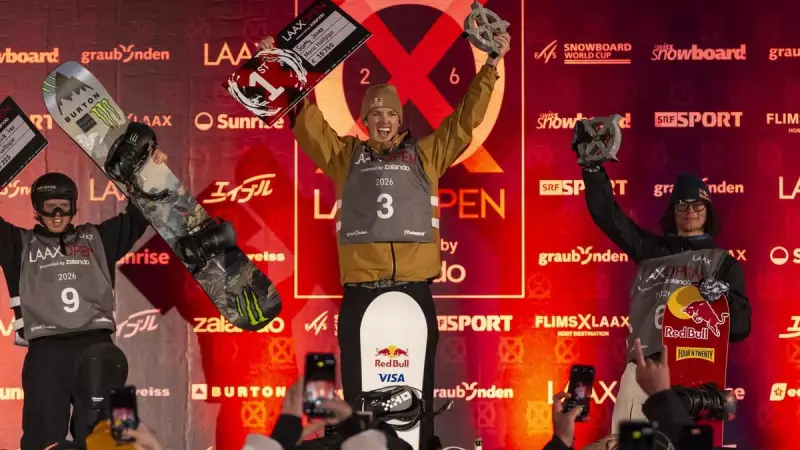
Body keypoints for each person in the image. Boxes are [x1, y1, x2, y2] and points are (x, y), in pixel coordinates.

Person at [258, 30, 510, 448]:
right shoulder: (345, 157)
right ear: (365, 121)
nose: (382, 120)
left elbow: (465, 120)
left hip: (413, 292)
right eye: (374, 114)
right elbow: (307, 122)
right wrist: (278, 69)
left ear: (399, 118)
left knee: (417, 400)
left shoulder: (427, 155)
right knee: (359, 401)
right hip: (361, 294)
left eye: (390, 113)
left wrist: (491, 66)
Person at [2, 140, 167, 449]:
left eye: (64, 206)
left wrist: (152, 172)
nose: (57, 214)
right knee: (41, 439)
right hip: (46, 353)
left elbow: (138, 217)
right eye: (49, 206)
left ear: (74, 206)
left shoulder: (97, 238)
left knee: (116, 438)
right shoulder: (17, 244)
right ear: (36, 209)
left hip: (98, 348)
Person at [581, 166, 752, 434]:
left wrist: (724, 299)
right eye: (681, 204)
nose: (690, 211)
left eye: (697, 204)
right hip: (645, 368)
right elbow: (609, 217)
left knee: (686, 446)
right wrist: (592, 171)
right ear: (672, 211)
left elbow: (741, 328)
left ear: (708, 210)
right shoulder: (651, 249)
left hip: (697, 372)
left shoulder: (725, 264)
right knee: (634, 445)